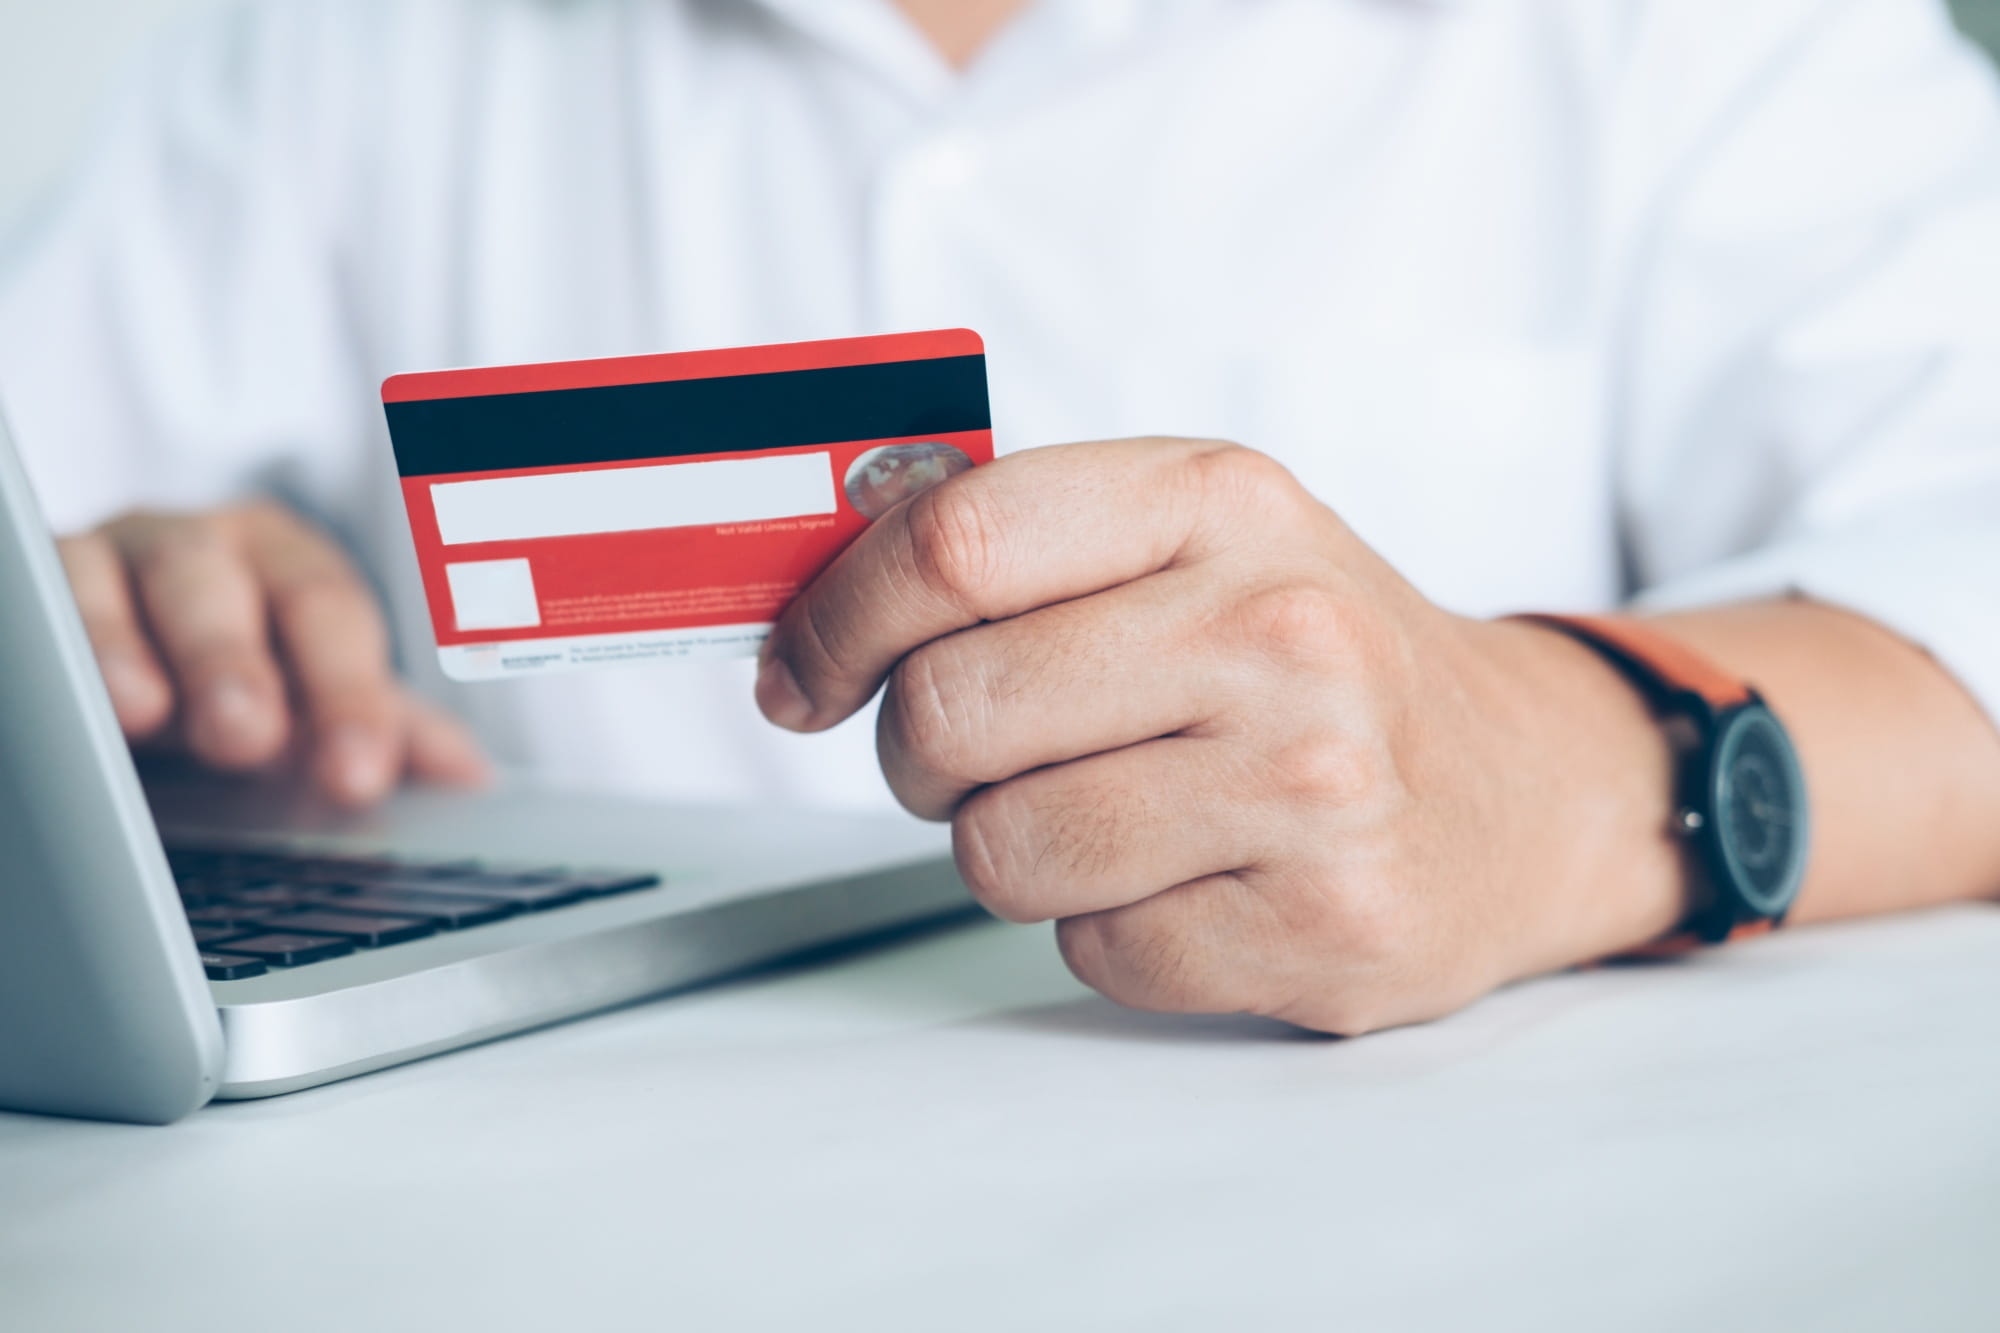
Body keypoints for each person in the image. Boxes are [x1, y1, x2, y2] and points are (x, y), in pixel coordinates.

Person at [4, 0, 2000, 1034]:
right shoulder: (324, 44)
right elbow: (51, 517)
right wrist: (141, 632)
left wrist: (1561, 768)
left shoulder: (1705, 35)